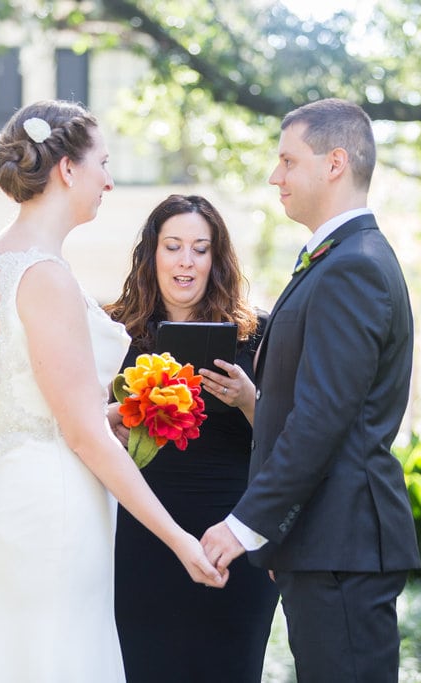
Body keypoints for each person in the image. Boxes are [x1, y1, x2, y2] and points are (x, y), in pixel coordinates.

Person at [0, 102, 223, 683]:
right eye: (103, 164)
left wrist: (120, 413)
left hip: (5, 503)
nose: (109, 181)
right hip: (55, 516)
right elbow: (82, 434)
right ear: (67, 170)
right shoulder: (44, 275)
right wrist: (178, 539)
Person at [201, 98, 421, 683]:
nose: (276, 176)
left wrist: (247, 525)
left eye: (288, 160)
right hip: (323, 546)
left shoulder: (354, 266)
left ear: (334, 163)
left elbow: (322, 418)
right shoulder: (337, 258)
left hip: (342, 547)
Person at [104, 194, 278, 683]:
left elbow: (288, 440)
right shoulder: (115, 332)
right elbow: (87, 430)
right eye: (173, 246)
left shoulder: (256, 332)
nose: (186, 261)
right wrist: (117, 419)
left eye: (200, 249)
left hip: (233, 537)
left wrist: (248, 399)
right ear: (151, 254)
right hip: (141, 537)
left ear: (216, 259)